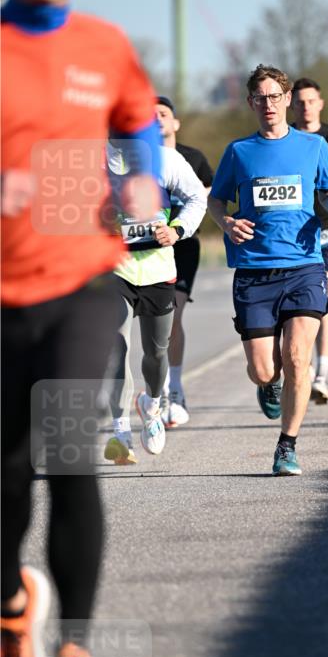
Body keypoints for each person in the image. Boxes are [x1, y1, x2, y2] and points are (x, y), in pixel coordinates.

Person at [1, 0, 161, 657]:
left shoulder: (105, 45)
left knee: (68, 458)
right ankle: (10, 606)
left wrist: (138, 170)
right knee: (5, 483)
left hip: (82, 281)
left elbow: (137, 120)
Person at [207, 64, 328, 475]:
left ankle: (287, 446)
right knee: (263, 369)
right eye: (261, 97)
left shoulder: (313, 147)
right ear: (251, 102)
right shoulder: (239, 152)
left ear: (287, 99)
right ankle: (269, 385)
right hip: (254, 270)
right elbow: (216, 201)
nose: (269, 104)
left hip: (304, 265)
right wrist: (228, 223)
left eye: (276, 96)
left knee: (296, 356)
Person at [104, 141, 207, 464]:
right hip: (113, 270)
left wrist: (177, 231)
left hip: (158, 270)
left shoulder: (163, 158)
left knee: (156, 353)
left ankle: (152, 403)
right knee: (114, 348)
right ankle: (120, 432)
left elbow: (196, 197)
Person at [154, 96, 214, 427]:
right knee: (155, 322)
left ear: (175, 122)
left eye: (163, 114)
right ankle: (158, 389)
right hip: (147, 249)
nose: (157, 119)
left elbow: (205, 197)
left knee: (173, 316)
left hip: (184, 246)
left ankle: (173, 388)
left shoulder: (192, 158)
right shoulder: (139, 159)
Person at [291, 77, 328, 403]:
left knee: (323, 298)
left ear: (320, 103)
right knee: (298, 306)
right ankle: (301, 368)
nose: (306, 107)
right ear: (292, 105)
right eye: (300, 101)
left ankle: (320, 375)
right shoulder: (286, 139)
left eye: (312, 100)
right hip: (295, 234)